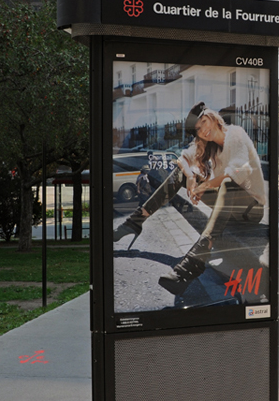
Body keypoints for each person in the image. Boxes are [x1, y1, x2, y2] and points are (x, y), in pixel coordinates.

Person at [114, 102, 268, 297]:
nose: (204, 130)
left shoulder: (235, 134)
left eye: (204, 122)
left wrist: (204, 186)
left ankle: (196, 259)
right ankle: (136, 221)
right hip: (229, 205)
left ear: (212, 117)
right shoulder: (208, 145)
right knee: (180, 173)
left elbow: (238, 173)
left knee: (228, 183)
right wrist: (191, 178)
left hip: (251, 208)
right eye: (198, 129)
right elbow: (182, 159)